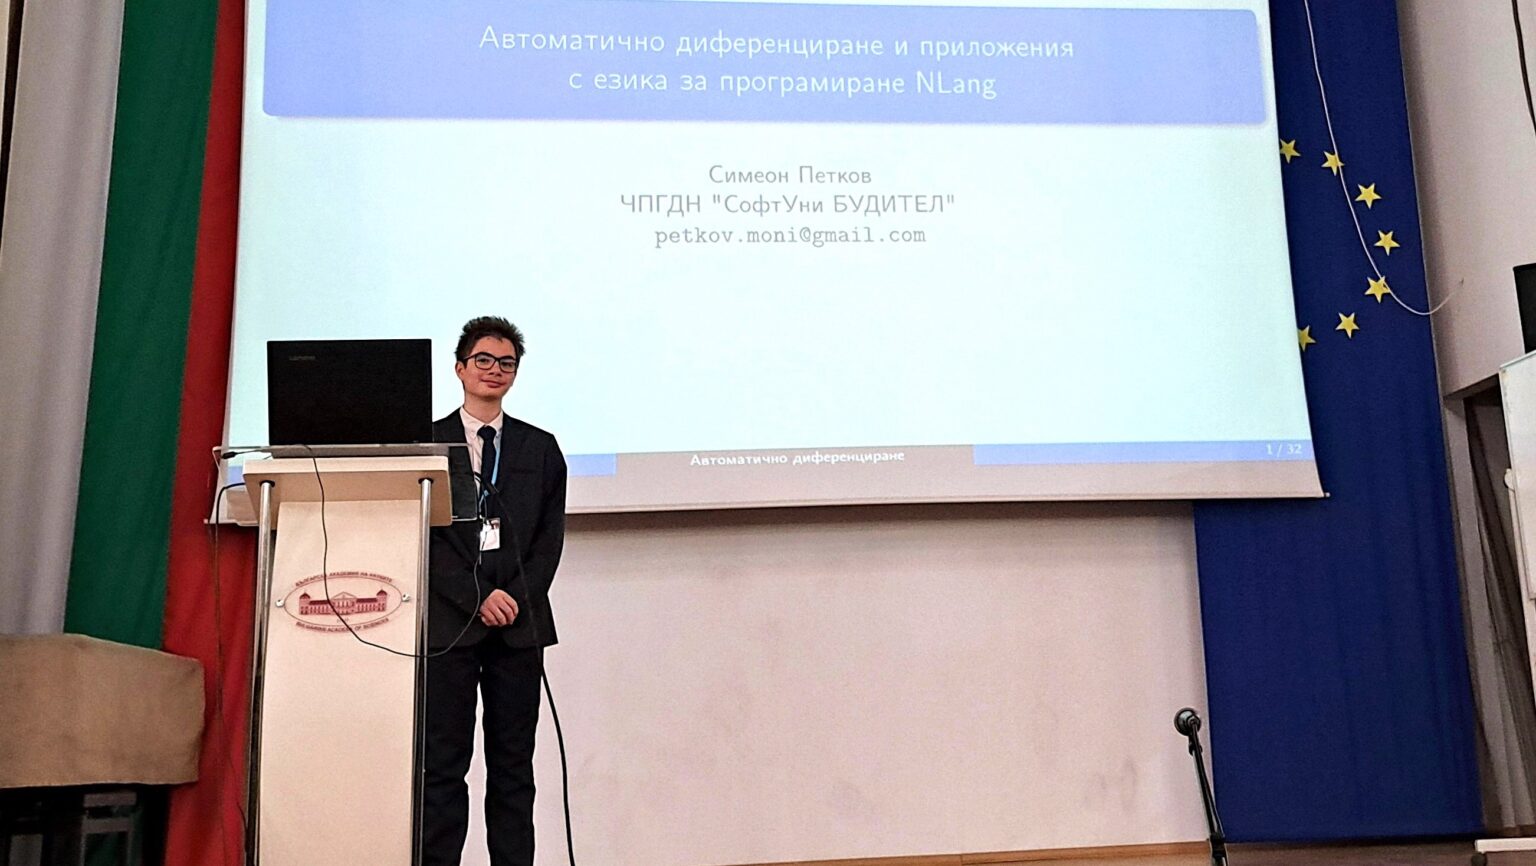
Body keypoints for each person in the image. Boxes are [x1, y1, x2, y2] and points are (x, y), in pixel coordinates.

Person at [423, 315, 566, 866]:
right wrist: (476, 596)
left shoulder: (540, 448)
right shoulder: (425, 444)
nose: (494, 370)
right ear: (460, 368)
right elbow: (423, 539)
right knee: (443, 770)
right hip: (450, 627)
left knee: (513, 769)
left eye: (506, 362)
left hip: (518, 629)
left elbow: (548, 540)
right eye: (483, 359)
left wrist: (511, 597)